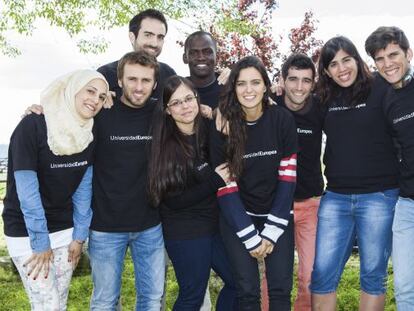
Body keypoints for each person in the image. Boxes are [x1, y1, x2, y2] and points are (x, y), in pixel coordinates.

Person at [2, 70, 108, 310]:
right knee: (46, 305)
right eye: (90, 91)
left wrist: (79, 236)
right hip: (27, 233)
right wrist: (40, 242)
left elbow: (83, 188)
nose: (95, 100)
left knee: (58, 302)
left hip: (65, 231)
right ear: (71, 90)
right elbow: (27, 193)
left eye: (102, 96)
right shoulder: (33, 126)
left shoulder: (89, 132)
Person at [310, 36, 400, 311]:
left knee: (373, 275)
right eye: (333, 64)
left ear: (357, 60)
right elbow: (292, 106)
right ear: (325, 71)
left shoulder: (382, 88)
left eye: (346, 60)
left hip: (380, 196)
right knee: (322, 275)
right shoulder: (323, 98)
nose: (341, 68)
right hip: (335, 197)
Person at [210, 56, 298, 310]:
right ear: (234, 88)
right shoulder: (223, 126)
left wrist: (271, 231)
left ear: (265, 86)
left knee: (280, 290)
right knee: (247, 291)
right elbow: (225, 186)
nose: (248, 90)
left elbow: (287, 176)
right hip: (238, 217)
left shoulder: (282, 119)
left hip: (277, 214)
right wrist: (250, 236)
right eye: (241, 83)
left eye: (255, 82)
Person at [147, 75, 237, 310]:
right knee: (192, 295)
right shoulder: (165, 145)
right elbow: (172, 201)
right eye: (176, 103)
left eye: (189, 98)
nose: (185, 106)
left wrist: (216, 113)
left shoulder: (209, 131)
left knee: (238, 282)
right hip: (185, 231)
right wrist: (215, 181)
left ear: (197, 99)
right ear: (167, 110)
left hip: (215, 225)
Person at [87, 51, 166, 311]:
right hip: (106, 227)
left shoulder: (161, 114)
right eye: (132, 79)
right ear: (118, 81)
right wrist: (39, 108)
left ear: (155, 84)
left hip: (150, 226)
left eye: (146, 80)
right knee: (104, 302)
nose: (139, 87)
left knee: (152, 300)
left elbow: (191, 111)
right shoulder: (101, 113)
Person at [261, 53, 324, 311]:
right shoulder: (269, 103)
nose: (299, 87)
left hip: (309, 205)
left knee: (310, 276)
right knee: (274, 278)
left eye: (306, 81)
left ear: (314, 83)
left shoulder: (320, 107)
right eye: (293, 79)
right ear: (282, 80)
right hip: (276, 207)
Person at [365, 26, 414, 310]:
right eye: (380, 58)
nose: (388, 63)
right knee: (405, 287)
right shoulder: (386, 98)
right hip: (407, 203)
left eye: (394, 54)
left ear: (408, 53)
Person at [98, 9, 175, 101]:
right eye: (148, 35)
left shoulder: (168, 74)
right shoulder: (105, 75)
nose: (154, 43)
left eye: (160, 37)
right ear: (132, 37)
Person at [184, 31, 223, 117]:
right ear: (185, 58)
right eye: (194, 53)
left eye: (207, 52)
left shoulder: (230, 88)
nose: (201, 57)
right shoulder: (178, 90)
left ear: (217, 56)